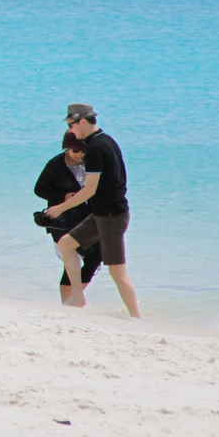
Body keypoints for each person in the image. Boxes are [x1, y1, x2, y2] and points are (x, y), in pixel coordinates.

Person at [46, 103, 139, 318]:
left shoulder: (97, 148)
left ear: (82, 121)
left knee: (117, 271)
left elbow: (89, 190)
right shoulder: (106, 141)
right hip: (102, 214)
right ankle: (77, 296)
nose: (70, 130)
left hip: (112, 216)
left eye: (71, 124)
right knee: (66, 244)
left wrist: (59, 208)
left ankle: (136, 317)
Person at [34, 132, 101, 304]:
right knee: (71, 260)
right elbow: (39, 189)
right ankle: (70, 301)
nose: (79, 155)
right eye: (75, 151)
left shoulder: (88, 162)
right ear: (67, 148)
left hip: (83, 216)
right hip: (60, 220)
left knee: (97, 255)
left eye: (83, 151)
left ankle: (73, 298)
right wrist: (63, 196)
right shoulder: (56, 164)